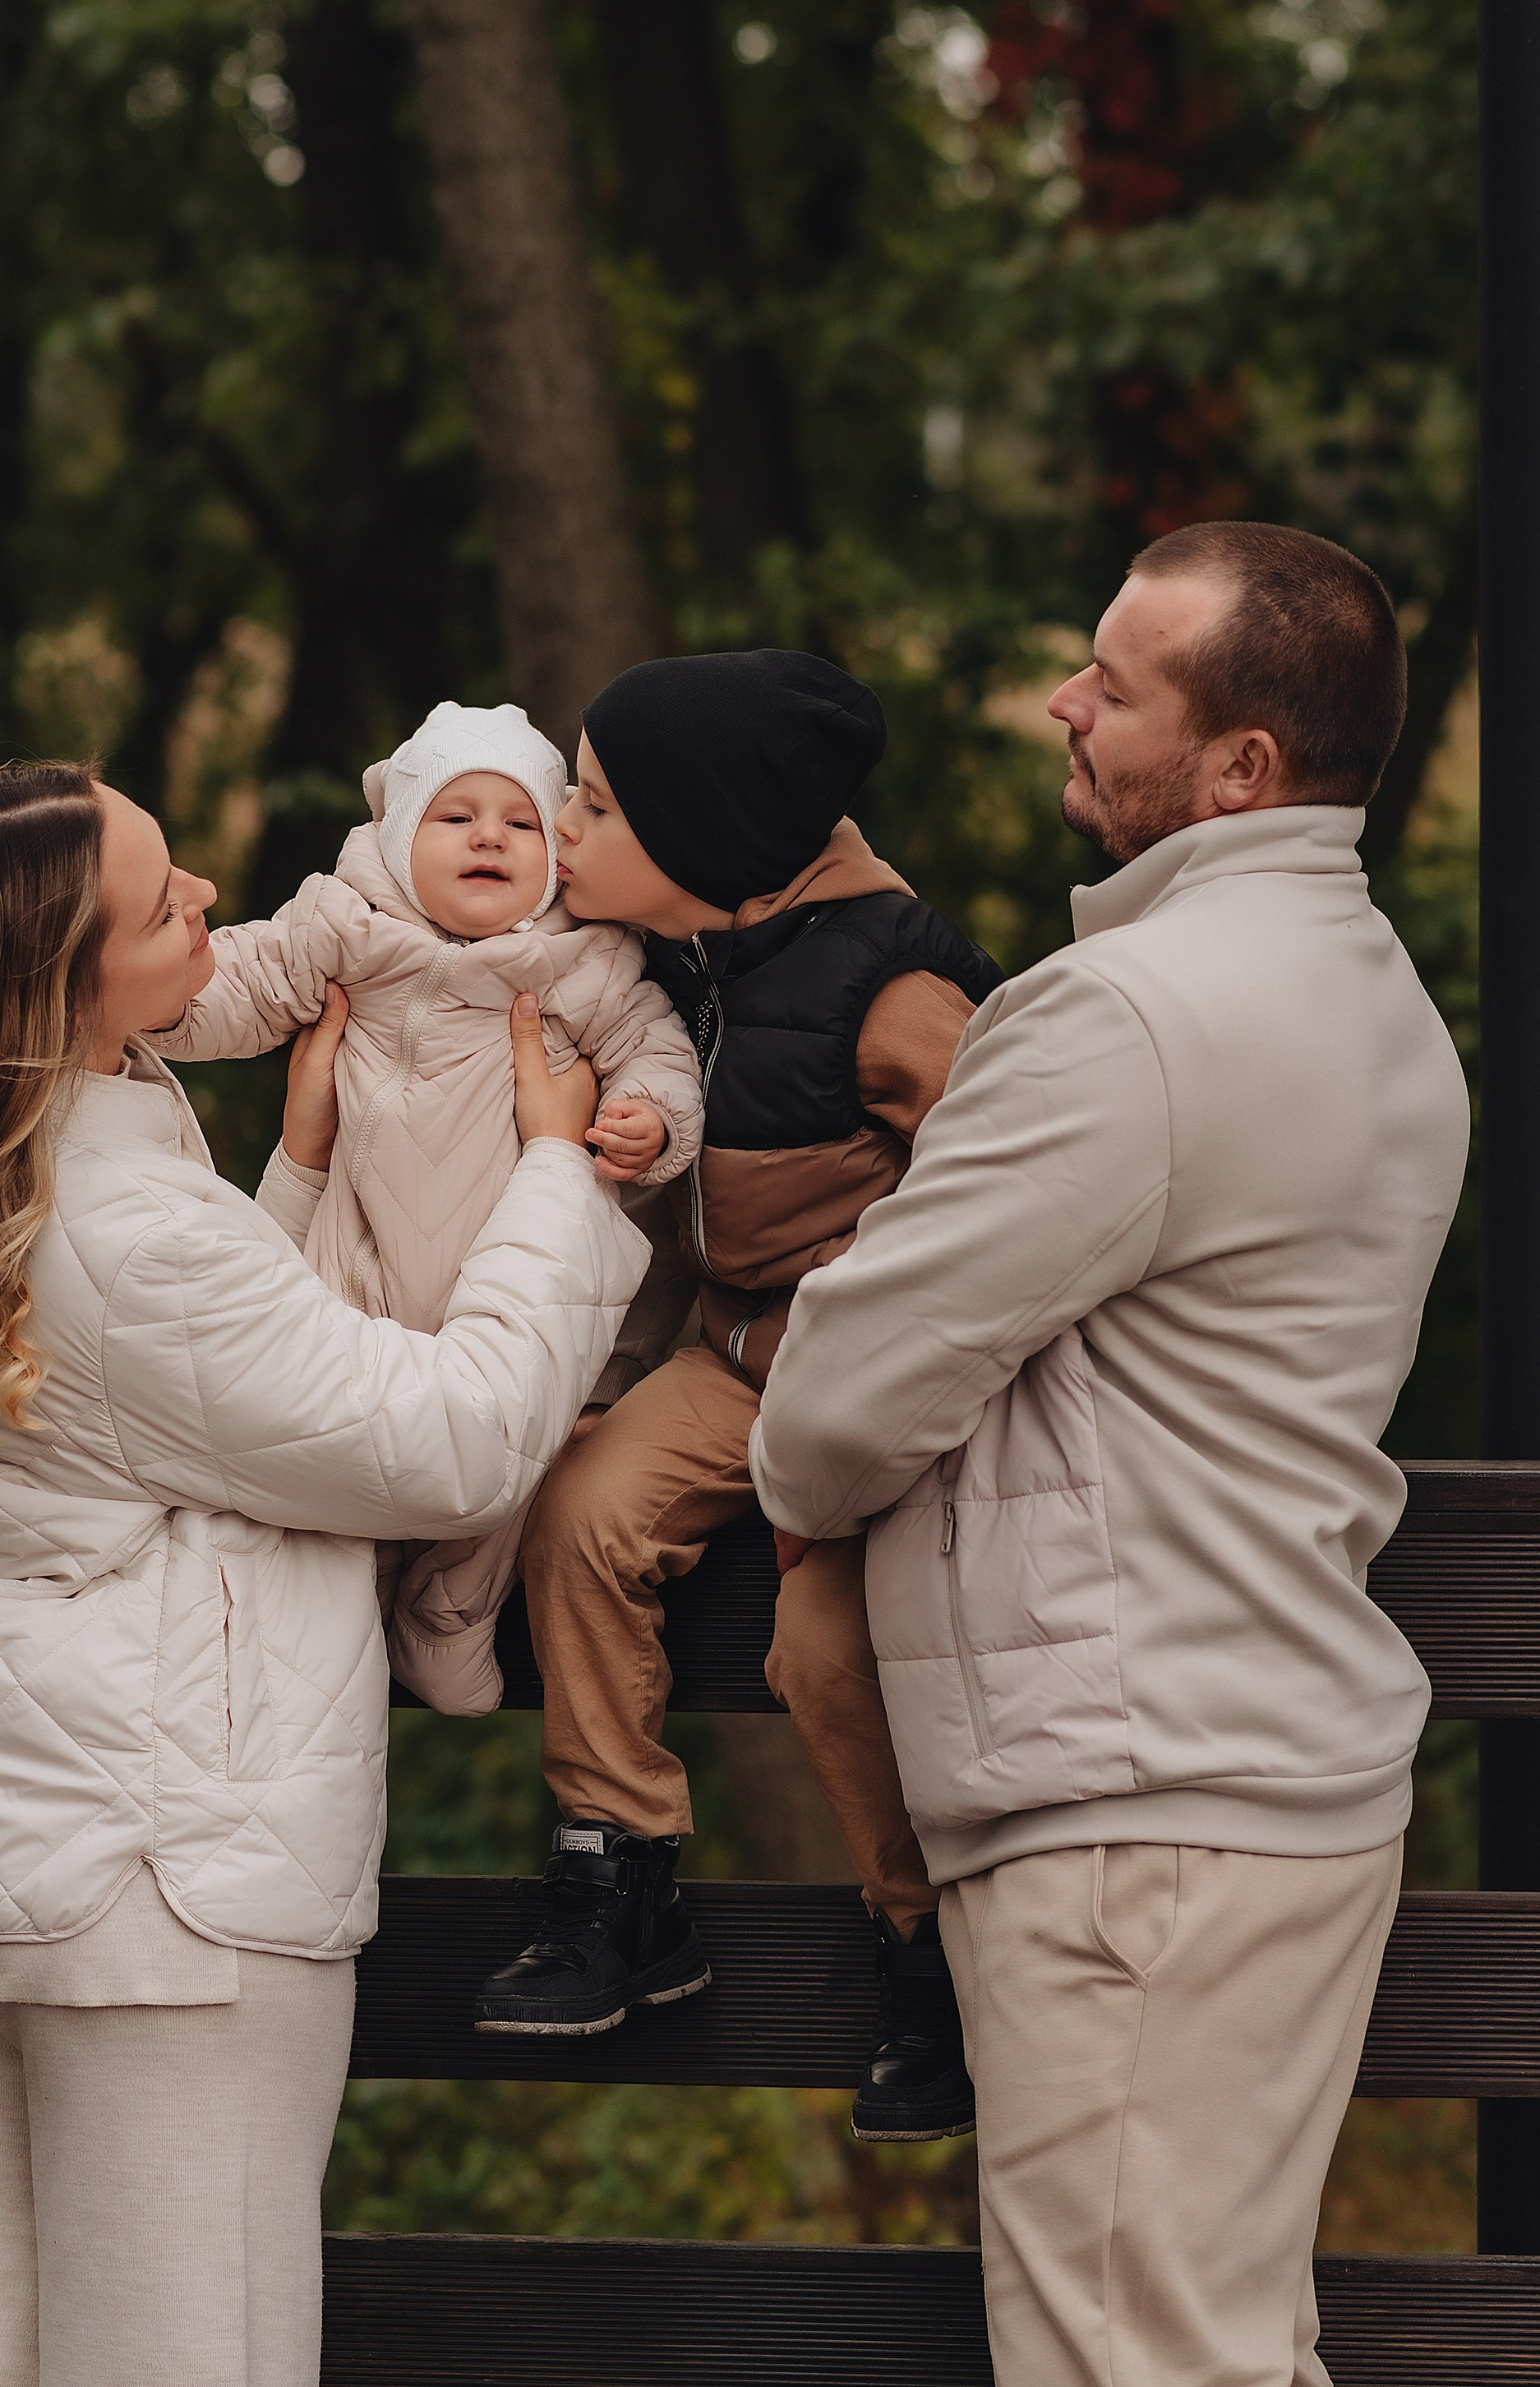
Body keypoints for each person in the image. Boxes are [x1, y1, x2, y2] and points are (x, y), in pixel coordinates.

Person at [751, 525, 1471, 2387]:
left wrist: (801, 1445)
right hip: (1257, 1769)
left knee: (1126, 2359)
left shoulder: (1121, 1017)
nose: (1064, 705)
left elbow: (833, 1408)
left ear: (1237, 768)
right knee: (1204, 2343)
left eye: (1116, 684)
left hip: (1129, 1803)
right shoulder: (1371, 991)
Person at [0, 760, 648, 2387]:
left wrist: (288, 1170)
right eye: (159, 899)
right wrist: (559, 1173)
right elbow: (453, 1439)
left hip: (6, 1843)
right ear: (65, 987)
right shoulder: (129, 1226)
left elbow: (184, 1397)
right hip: (163, 1887)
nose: (208, 888)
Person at [473, 649, 1006, 2149]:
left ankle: (928, 1952)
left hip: (882, 1396)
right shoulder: (666, 964)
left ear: (701, 842)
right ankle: (619, 1872)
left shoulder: (898, 993)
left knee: (827, 1645)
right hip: (736, 1355)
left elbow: (1030, 1206)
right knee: (576, 1509)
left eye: (590, 803)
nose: (557, 826)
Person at [146, 698, 701, 1710]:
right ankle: (341, 1619)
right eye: (455, 817)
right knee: (330, 1442)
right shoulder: (346, 925)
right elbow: (251, 976)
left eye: (520, 821)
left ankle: (448, 1615)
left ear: (555, 855)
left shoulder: (587, 958)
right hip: (354, 1260)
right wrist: (169, 1004)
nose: (489, 836)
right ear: (400, 840)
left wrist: (650, 1119)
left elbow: (656, 1046)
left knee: (530, 1442)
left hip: (508, 1275)